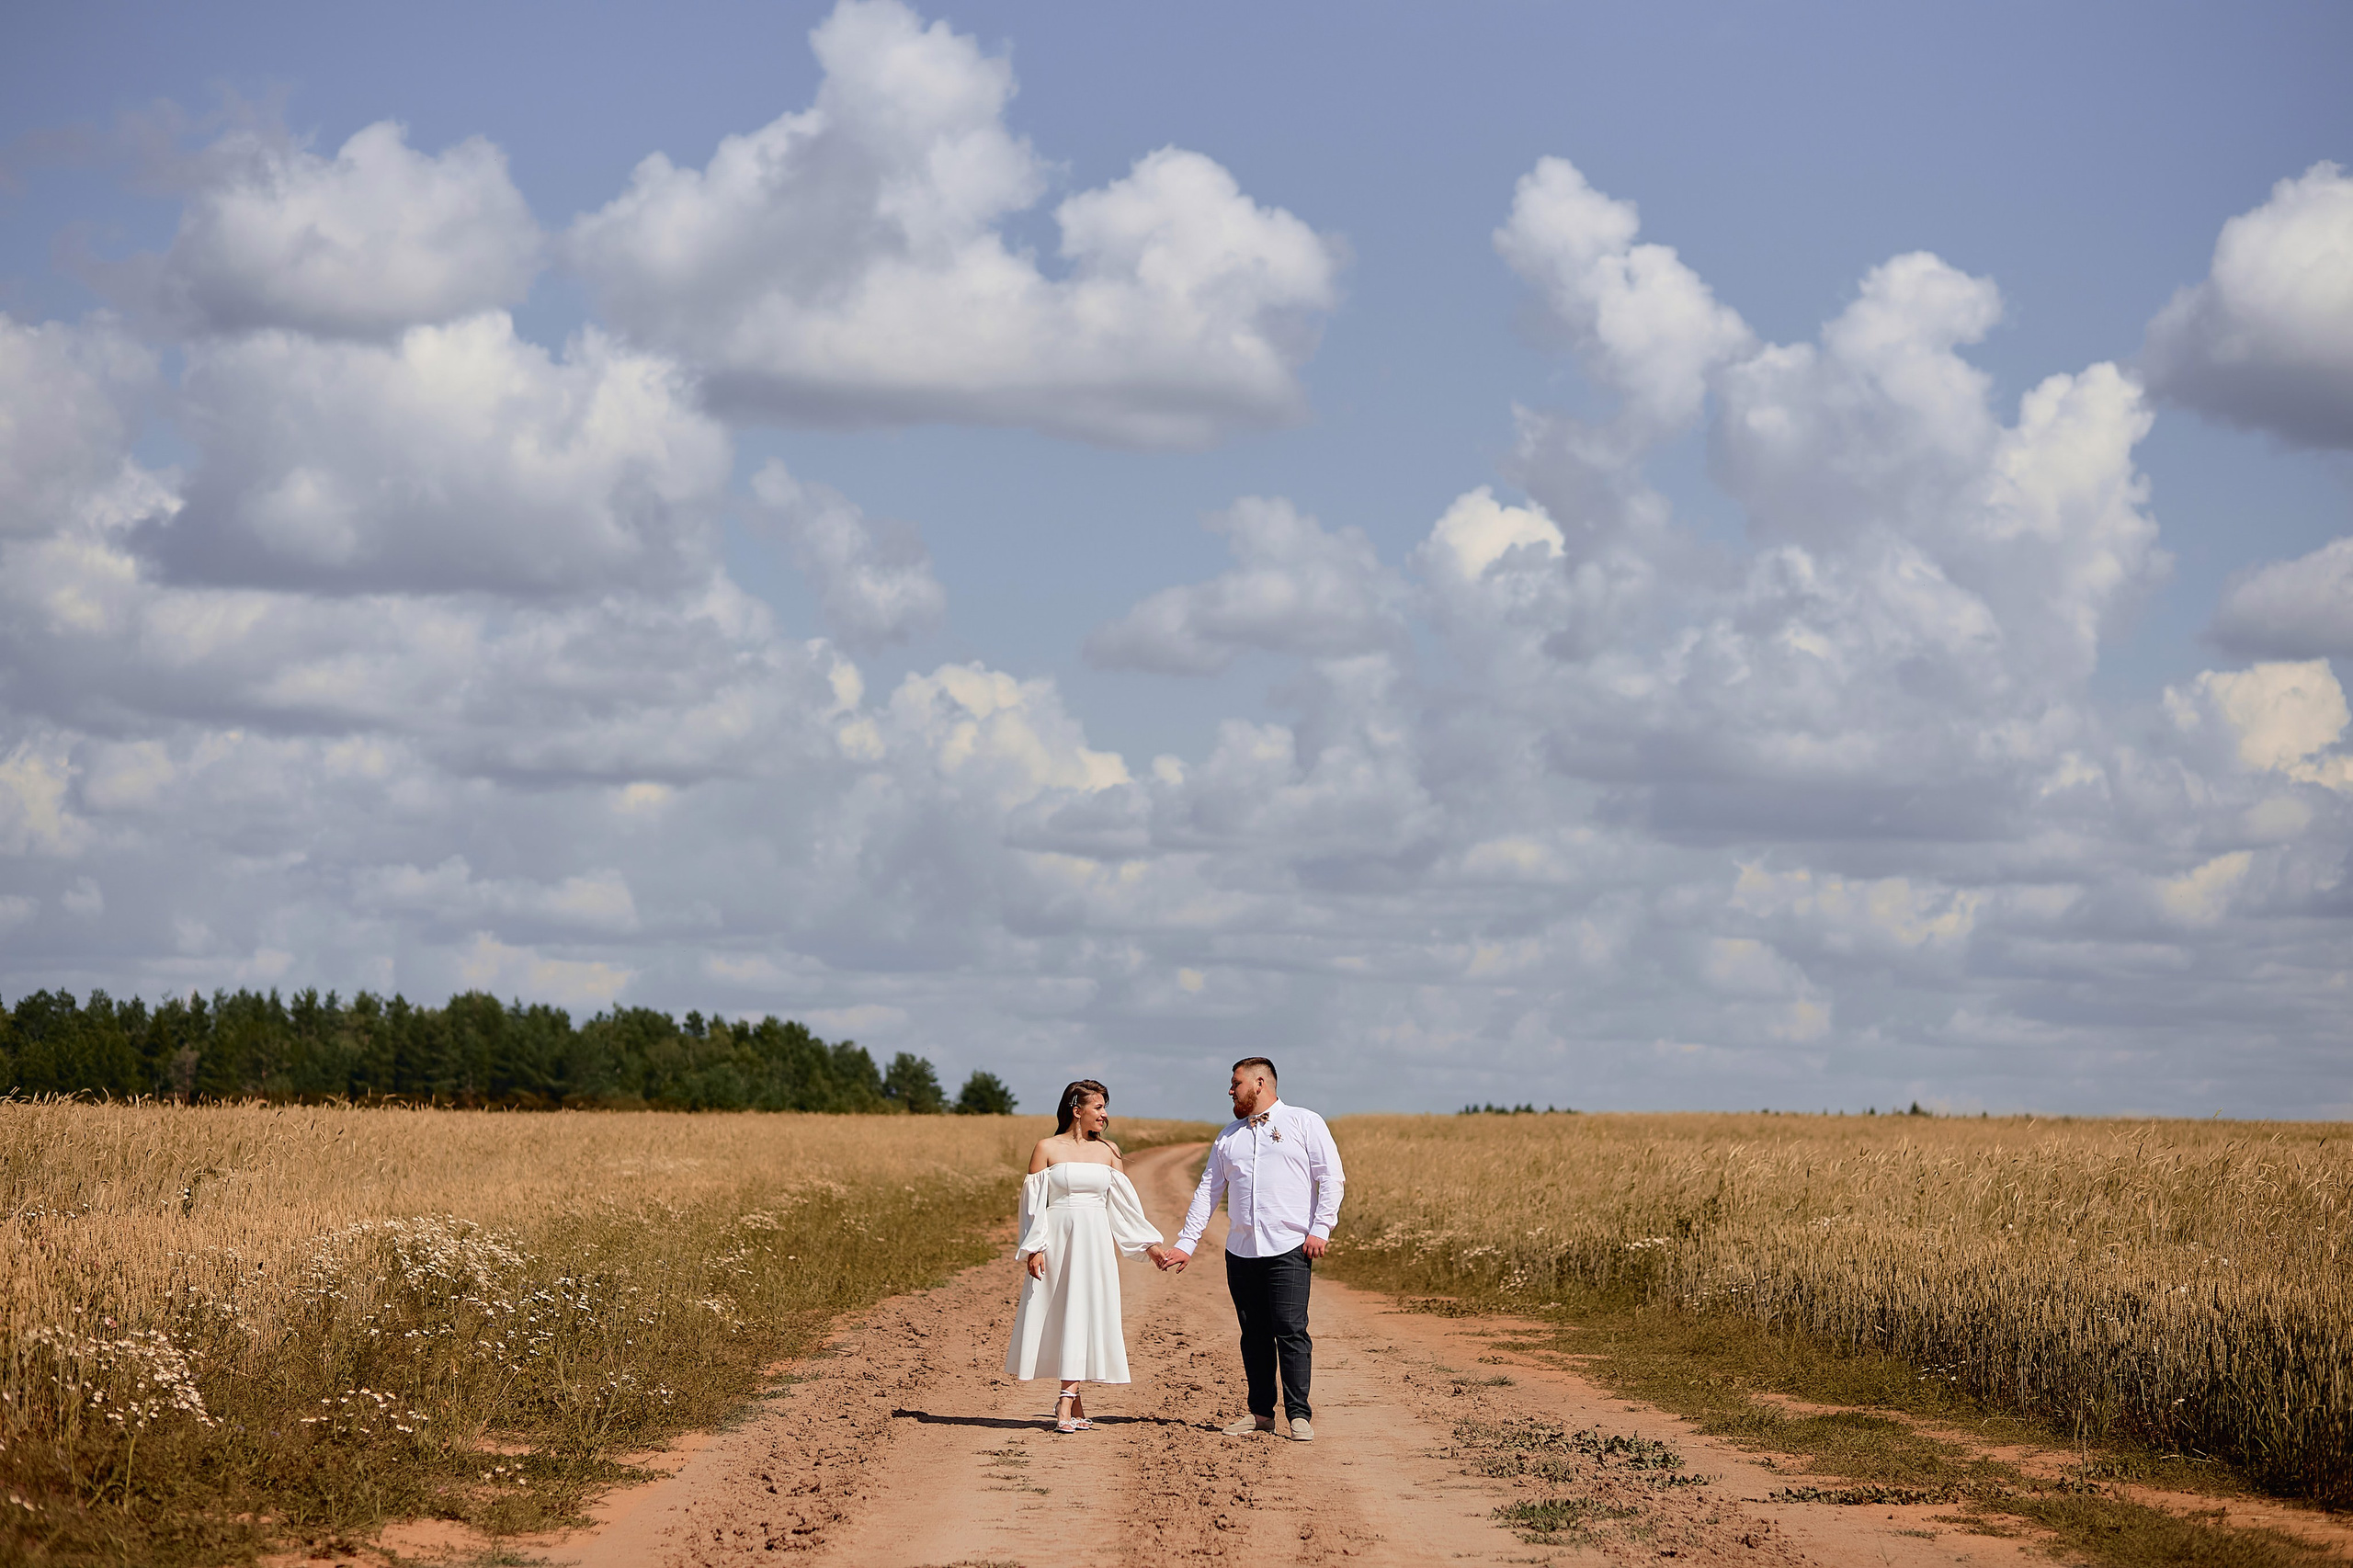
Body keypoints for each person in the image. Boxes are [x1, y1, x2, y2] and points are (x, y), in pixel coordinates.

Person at [1154, 1056, 1343, 1442]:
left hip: (1290, 1246)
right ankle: (1260, 1414)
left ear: (1260, 1083)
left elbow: (1331, 1178)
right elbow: (1207, 1192)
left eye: (1235, 1083)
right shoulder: (1228, 1137)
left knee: (1290, 1330)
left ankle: (1298, 1415)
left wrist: (1320, 1228)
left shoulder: (1305, 1122)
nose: (1230, 1090)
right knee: (1252, 1333)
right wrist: (1187, 1243)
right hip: (1241, 1251)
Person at [1005, 1079, 1176, 1433]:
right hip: (1058, 1241)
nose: (1104, 1114)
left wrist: (1151, 1246)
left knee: (1086, 1314)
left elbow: (1125, 1209)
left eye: (1104, 1107)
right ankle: (1072, 1400)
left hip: (1095, 1244)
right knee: (1063, 1316)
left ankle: (1067, 1400)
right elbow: (1033, 1206)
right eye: (1098, 1107)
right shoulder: (1046, 1148)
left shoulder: (1109, 1152)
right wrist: (1034, 1247)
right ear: (1076, 1109)